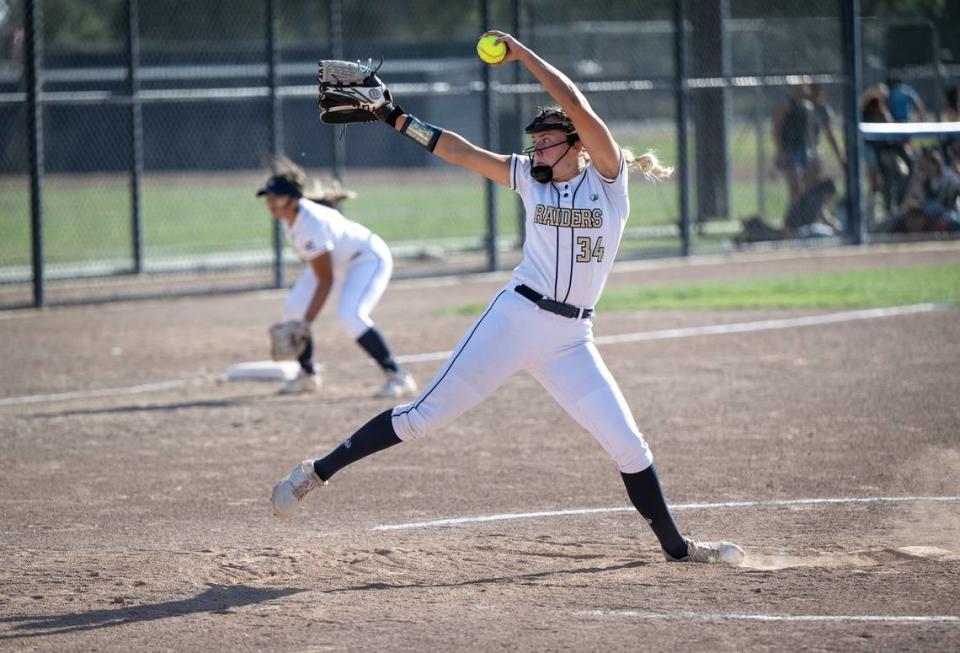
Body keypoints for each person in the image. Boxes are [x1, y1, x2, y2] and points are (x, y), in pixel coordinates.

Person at [271, 32, 745, 565]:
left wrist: (522, 55)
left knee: (629, 445)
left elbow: (576, 103)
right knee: (420, 418)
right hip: (515, 318)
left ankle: (678, 550)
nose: (536, 149)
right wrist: (395, 116)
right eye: (534, 141)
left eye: (547, 141)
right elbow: (458, 150)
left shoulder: (609, 183)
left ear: (577, 145)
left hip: (572, 339)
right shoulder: (529, 178)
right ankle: (315, 472)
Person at [257, 158, 418, 398]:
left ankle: (398, 376)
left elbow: (326, 280)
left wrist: (306, 323)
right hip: (338, 263)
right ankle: (308, 376)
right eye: (268, 197)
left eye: (276, 197)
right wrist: (301, 320)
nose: (271, 203)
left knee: (350, 315)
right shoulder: (289, 219)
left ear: (292, 199)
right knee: (292, 310)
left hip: (366, 259)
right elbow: (321, 270)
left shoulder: (311, 223)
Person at [773, 85, 817, 203]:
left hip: (803, 148)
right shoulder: (785, 106)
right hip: (789, 148)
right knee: (795, 186)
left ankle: (804, 214)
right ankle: (793, 217)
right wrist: (780, 151)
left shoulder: (808, 107)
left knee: (807, 186)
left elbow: (809, 131)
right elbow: (777, 129)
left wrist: (813, 150)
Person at [806, 83, 845, 175]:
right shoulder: (800, 106)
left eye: (819, 91)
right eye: (813, 90)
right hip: (798, 147)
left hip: (814, 149)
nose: (817, 95)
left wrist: (840, 158)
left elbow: (831, 135)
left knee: (816, 169)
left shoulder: (822, 109)